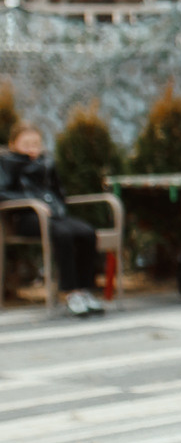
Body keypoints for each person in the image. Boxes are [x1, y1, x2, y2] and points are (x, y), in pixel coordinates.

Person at [0, 123, 105, 318]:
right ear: (13, 144)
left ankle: (85, 290)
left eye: (36, 143)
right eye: (26, 143)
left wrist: (56, 203)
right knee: (63, 234)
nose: (32, 147)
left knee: (87, 232)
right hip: (26, 217)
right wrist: (32, 203)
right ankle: (70, 293)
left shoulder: (47, 162)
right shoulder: (6, 163)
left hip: (54, 215)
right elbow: (2, 192)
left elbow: (59, 191)